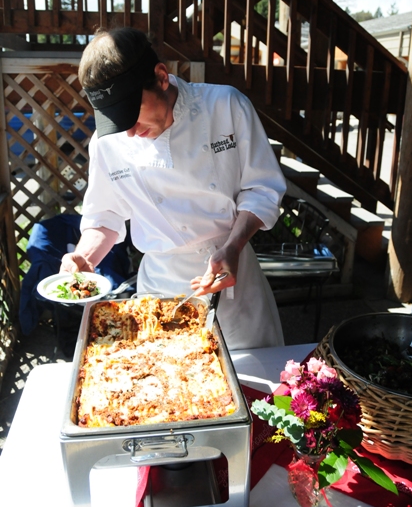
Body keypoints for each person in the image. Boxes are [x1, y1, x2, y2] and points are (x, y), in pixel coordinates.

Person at [60, 27, 287, 350]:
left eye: (132, 113)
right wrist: (84, 257)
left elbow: (262, 189)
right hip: (160, 287)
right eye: (116, 120)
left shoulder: (225, 105)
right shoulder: (107, 144)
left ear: (161, 77)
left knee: (255, 386)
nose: (129, 132)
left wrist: (233, 246)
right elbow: (105, 216)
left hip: (233, 276)